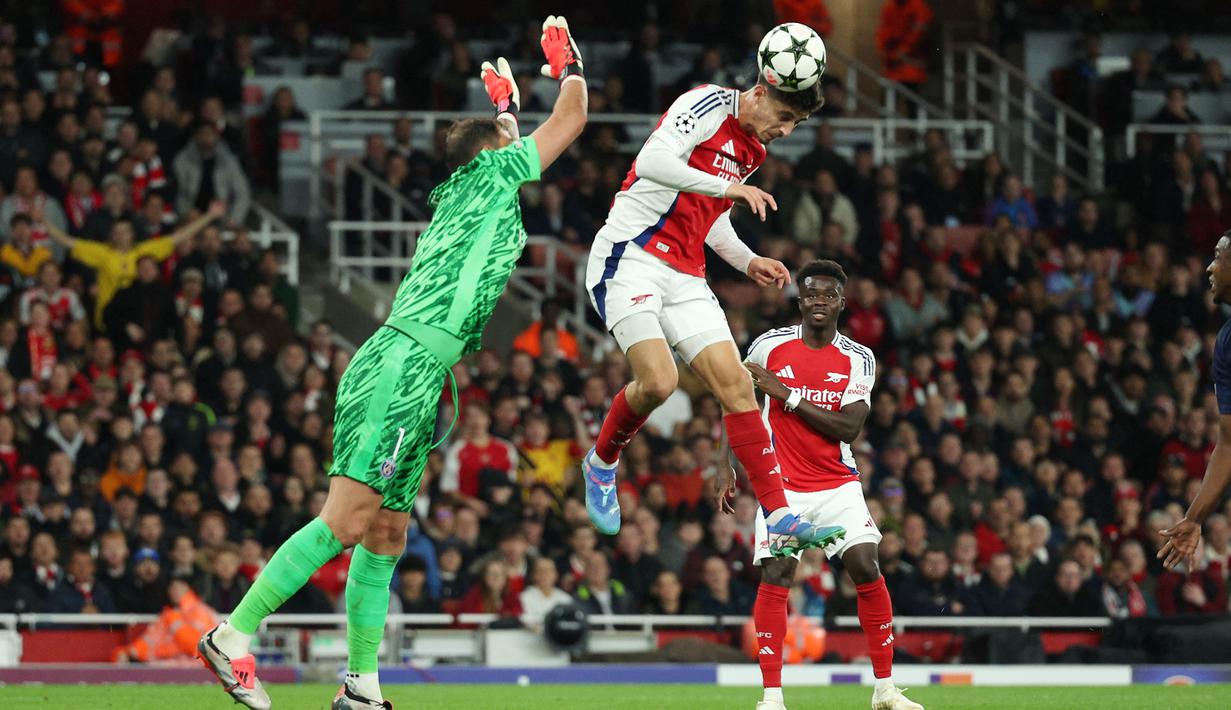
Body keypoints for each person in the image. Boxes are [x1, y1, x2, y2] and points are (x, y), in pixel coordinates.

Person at [197, 17, 589, 710]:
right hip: (403, 365)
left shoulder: (472, 187)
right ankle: (231, 636)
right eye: (509, 137)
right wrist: (565, 64)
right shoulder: (492, 174)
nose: (519, 144)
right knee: (347, 520)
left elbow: (505, 140)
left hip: (415, 367)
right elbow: (574, 117)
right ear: (496, 151)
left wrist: (503, 110)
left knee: (386, 531)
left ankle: (361, 687)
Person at [580, 39, 841, 557]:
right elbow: (653, 160)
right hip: (629, 256)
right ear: (762, 91)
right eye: (785, 116)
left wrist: (748, 261)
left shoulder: (754, 148)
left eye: (795, 125)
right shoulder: (705, 104)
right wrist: (728, 191)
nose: (785, 131)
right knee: (659, 381)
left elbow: (711, 217)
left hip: (685, 273)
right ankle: (602, 462)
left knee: (738, 387)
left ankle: (780, 514)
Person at [738, 260, 921, 710]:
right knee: (778, 572)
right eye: (811, 294)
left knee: (866, 566)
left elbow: (848, 428)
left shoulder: (858, 357)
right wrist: (729, 466)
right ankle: (772, 697)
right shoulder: (767, 346)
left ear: (841, 302)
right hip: (781, 485)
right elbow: (737, 403)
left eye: (828, 295)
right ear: (799, 300)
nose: (818, 301)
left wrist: (787, 395)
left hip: (837, 483)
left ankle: (884, 689)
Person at [1160, 229, 1231, 570]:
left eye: (1219, 256)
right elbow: (1230, 442)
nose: (1209, 267)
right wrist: (1195, 517)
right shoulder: (1227, 342)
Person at [39, 201, 225, 329]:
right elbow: (68, 241)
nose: (121, 236)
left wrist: (210, 216)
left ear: (132, 234)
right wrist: (44, 222)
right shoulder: (102, 252)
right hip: (108, 320)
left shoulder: (143, 251)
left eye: (125, 231)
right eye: (116, 232)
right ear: (111, 236)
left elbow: (179, 237)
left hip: (139, 320)